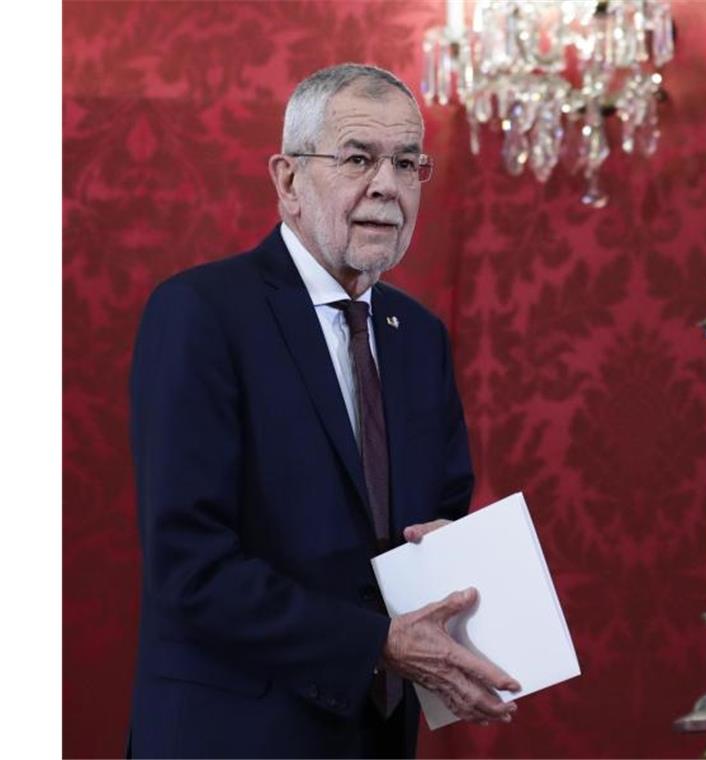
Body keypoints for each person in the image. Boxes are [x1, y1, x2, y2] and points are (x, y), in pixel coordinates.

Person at [127, 63, 518, 758]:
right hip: (232, 737)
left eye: (406, 163)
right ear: (287, 181)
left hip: (375, 738)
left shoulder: (419, 336)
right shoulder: (202, 314)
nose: (387, 187)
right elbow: (189, 565)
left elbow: (445, 507)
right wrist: (378, 644)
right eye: (358, 159)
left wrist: (450, 554)